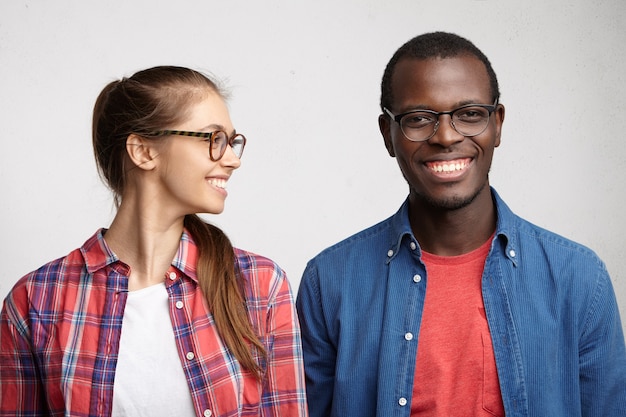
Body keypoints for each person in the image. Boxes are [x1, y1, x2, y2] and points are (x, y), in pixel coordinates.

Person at [296, 32, 626, 417]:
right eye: (419, 119)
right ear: (388, 134)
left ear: (497, 125)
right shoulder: (329, 281)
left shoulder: (580, 278)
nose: (447, 136)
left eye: (469, 114)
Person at [0, 66, 308, 417]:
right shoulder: (36, 301)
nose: (233, 159)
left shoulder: (260, 285)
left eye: (233, 141)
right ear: (143, 152)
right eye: (213, 139)